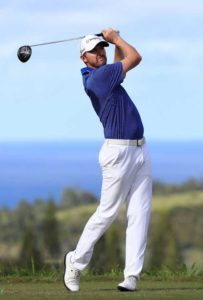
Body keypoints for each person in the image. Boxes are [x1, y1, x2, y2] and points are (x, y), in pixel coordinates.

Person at [64, 28, 152, 292]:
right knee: (107, 213)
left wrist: (112, 44)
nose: (100, 53)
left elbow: (119, 66)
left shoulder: (105, 75)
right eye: (95, 50)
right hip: (118, 153)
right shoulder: (99, 78)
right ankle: (75, 262)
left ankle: (131, 276)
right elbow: (135, 57)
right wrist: (116, 39)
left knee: (140, 214)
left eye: (102, 48)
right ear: (84, 58)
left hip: (140, 150)